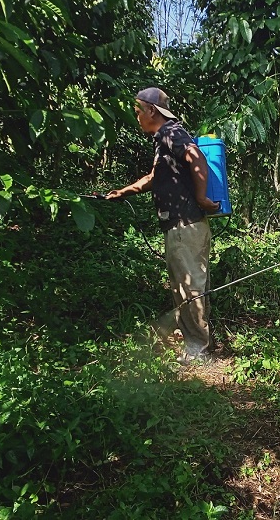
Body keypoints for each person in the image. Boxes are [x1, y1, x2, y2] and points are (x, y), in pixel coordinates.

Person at [106, 87, 219, 365]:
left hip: (186, 224)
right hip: (178, 226)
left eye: (137, 112)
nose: (137, 118)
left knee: (190, 286)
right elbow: (153, 177)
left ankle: (199, 351)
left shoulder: (171, 131)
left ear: (151, 111)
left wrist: (202, 197)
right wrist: (123, 192)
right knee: (182, 285)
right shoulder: (163, 140)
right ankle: (192, 343)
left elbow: (196, 156)